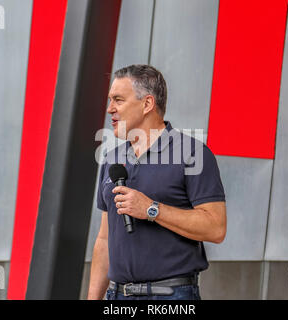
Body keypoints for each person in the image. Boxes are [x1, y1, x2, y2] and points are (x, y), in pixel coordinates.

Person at [87, 64, 226, 300]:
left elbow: (216, 228)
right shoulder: (112, 159)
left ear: (147, 104)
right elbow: (104, 237)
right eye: (110, 100)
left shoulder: (192, 154)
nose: (110, 109)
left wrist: (151, 209)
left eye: (118, 100)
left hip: (171, 296)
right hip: (117, 296)